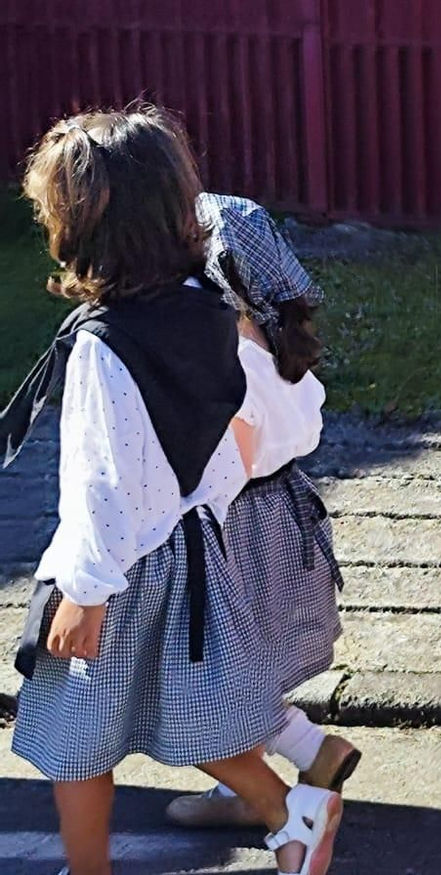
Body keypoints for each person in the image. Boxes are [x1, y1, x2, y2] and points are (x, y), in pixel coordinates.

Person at [1, 108, 340, 875]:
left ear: (79, 224)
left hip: (115, 572)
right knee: (200, 715)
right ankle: (294, 817)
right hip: (190, 556)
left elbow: (100, 480)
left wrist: (85, 590)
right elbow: (239, 440)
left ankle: (90, 869)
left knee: (69, 735)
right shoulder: (214, 310)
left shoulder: (102, 343)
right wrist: (201, 506)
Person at [163, 194, 361, 830]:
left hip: (238, 523)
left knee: (211, 668)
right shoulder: (278, 340)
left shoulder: (230, 358)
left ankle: (302, 755)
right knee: (250, 658)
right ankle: (259, 783)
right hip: (286, 512)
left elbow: (230, 464)